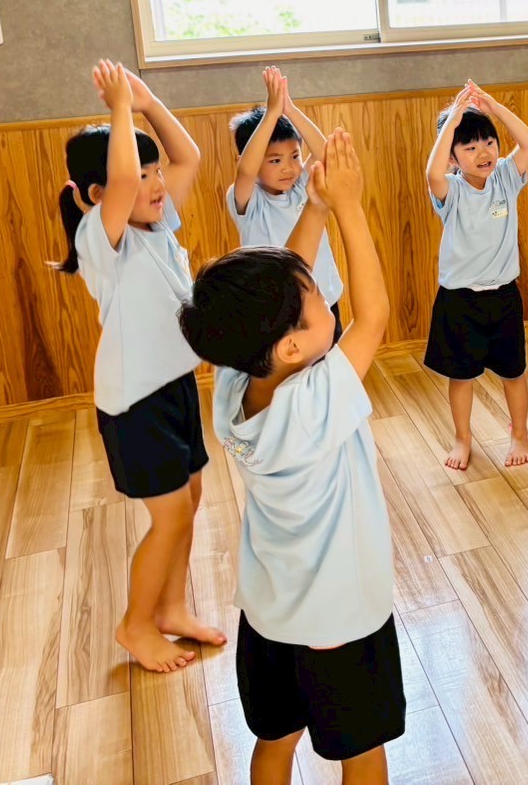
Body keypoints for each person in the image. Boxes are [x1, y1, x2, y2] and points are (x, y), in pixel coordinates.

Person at [179, 133, 401, 785]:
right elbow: (374, 315)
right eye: (316, 300)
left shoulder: (233, 383)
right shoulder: (313, 404)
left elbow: (284, 283)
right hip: (341, 622)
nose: (324, 298)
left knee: (275, 740)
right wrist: (349, 206)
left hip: (270, 617)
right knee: (362, 753)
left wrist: (315, 208)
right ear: (293, 347)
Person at [53, 59, 224, 673]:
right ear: (95, 196)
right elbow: (123, 180)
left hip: (174, 386)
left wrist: (148, 104)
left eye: (154, 172)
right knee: (169, 515)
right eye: (141, 175)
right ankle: (135, 625)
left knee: (191, 498)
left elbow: (189, 158)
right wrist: (120, 108)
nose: (154, 183)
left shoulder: (156, 224)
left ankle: (171, 607)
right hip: (135, 404)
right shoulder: (103, 239)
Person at [423, 81, 528, 470]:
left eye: (489, 142)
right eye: (470, 147)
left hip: (503, 297)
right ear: (453, 158)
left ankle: (519, 433)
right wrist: (452, 121)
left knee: (514, 373)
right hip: (459, 301)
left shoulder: (506, 177)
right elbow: (432, 173)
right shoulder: (450, 190)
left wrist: (494, 108)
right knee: (461, 377)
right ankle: (463, 438)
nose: (484, 152)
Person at [227, 65, 345, 335]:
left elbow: (325, 153)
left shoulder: (301, 184)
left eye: (294, 156)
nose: (288, 168)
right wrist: (271, 113)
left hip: (324, 301)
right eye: (275, 160)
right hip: (277, 310)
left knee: (332, 361)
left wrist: (288, 109)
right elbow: (246, 171)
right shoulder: (248, 200)